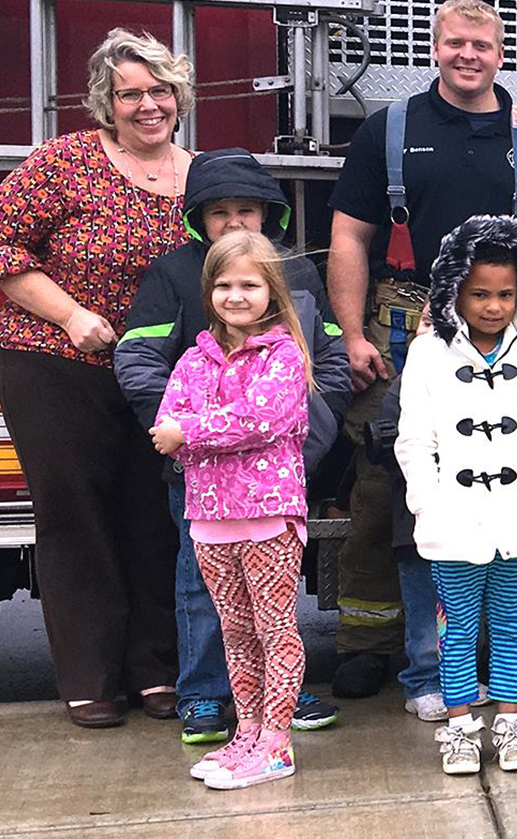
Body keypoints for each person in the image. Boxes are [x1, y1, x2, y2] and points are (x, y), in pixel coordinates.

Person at [326, 0, 517, 702]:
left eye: (481, 45)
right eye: (455, 43)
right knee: (387, 485)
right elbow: (350, 237)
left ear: (503, 55)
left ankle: (474, 657)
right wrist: (353, 335)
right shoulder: (389, 131)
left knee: (502, 470)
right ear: (434, 48)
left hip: (505, 324)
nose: (468, 56)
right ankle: (368, 641)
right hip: (405, 322)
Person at [0, 28, 192, 727]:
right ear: (106, 101)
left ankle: (154, 672)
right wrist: (71, 315)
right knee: (77, 518)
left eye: (158, 89)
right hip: (53, 360)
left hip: (153, 374)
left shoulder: (199, 174)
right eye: (129, 93)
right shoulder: (65, 162)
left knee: (150, 518)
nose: (146, 104)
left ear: (177, 94)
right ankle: (90, 679)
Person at [115, 148, 351, 741]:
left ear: (269, 214)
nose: (235, 223)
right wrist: (174, 436)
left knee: (271, 600)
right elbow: (138, 356)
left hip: (275, 476)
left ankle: (283, 698)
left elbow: (329, 366)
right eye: (219, 212)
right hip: (198, 477)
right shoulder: (174, 274)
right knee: (201, 588)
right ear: (199, 218)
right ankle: (202, 695)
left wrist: (306, 445)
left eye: (248, 209)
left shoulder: (296, 274)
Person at [394, 215, 517, 776]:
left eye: (505, 294)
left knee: (513, 623)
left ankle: (510, 722)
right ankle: (459, 728)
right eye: (478, 294)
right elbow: (413, 438)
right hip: (454, 517)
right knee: (457, 626)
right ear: (453, 290)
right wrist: (428, 501)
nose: (493, 306)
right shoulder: (428, 354)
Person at [150, 231, 314, 789]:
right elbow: (166, 425)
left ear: (272, 291)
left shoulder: (285, 355)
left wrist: (190, 432)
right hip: (209, 517)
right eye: (223, 284)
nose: (235, 295)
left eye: (249, 284)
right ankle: (245, 734)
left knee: (275, 628)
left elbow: (259, 420)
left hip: (269, 515)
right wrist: (187, 431)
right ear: (207, 290)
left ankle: (276, 742)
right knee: (235, 630)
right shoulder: (196, 358)